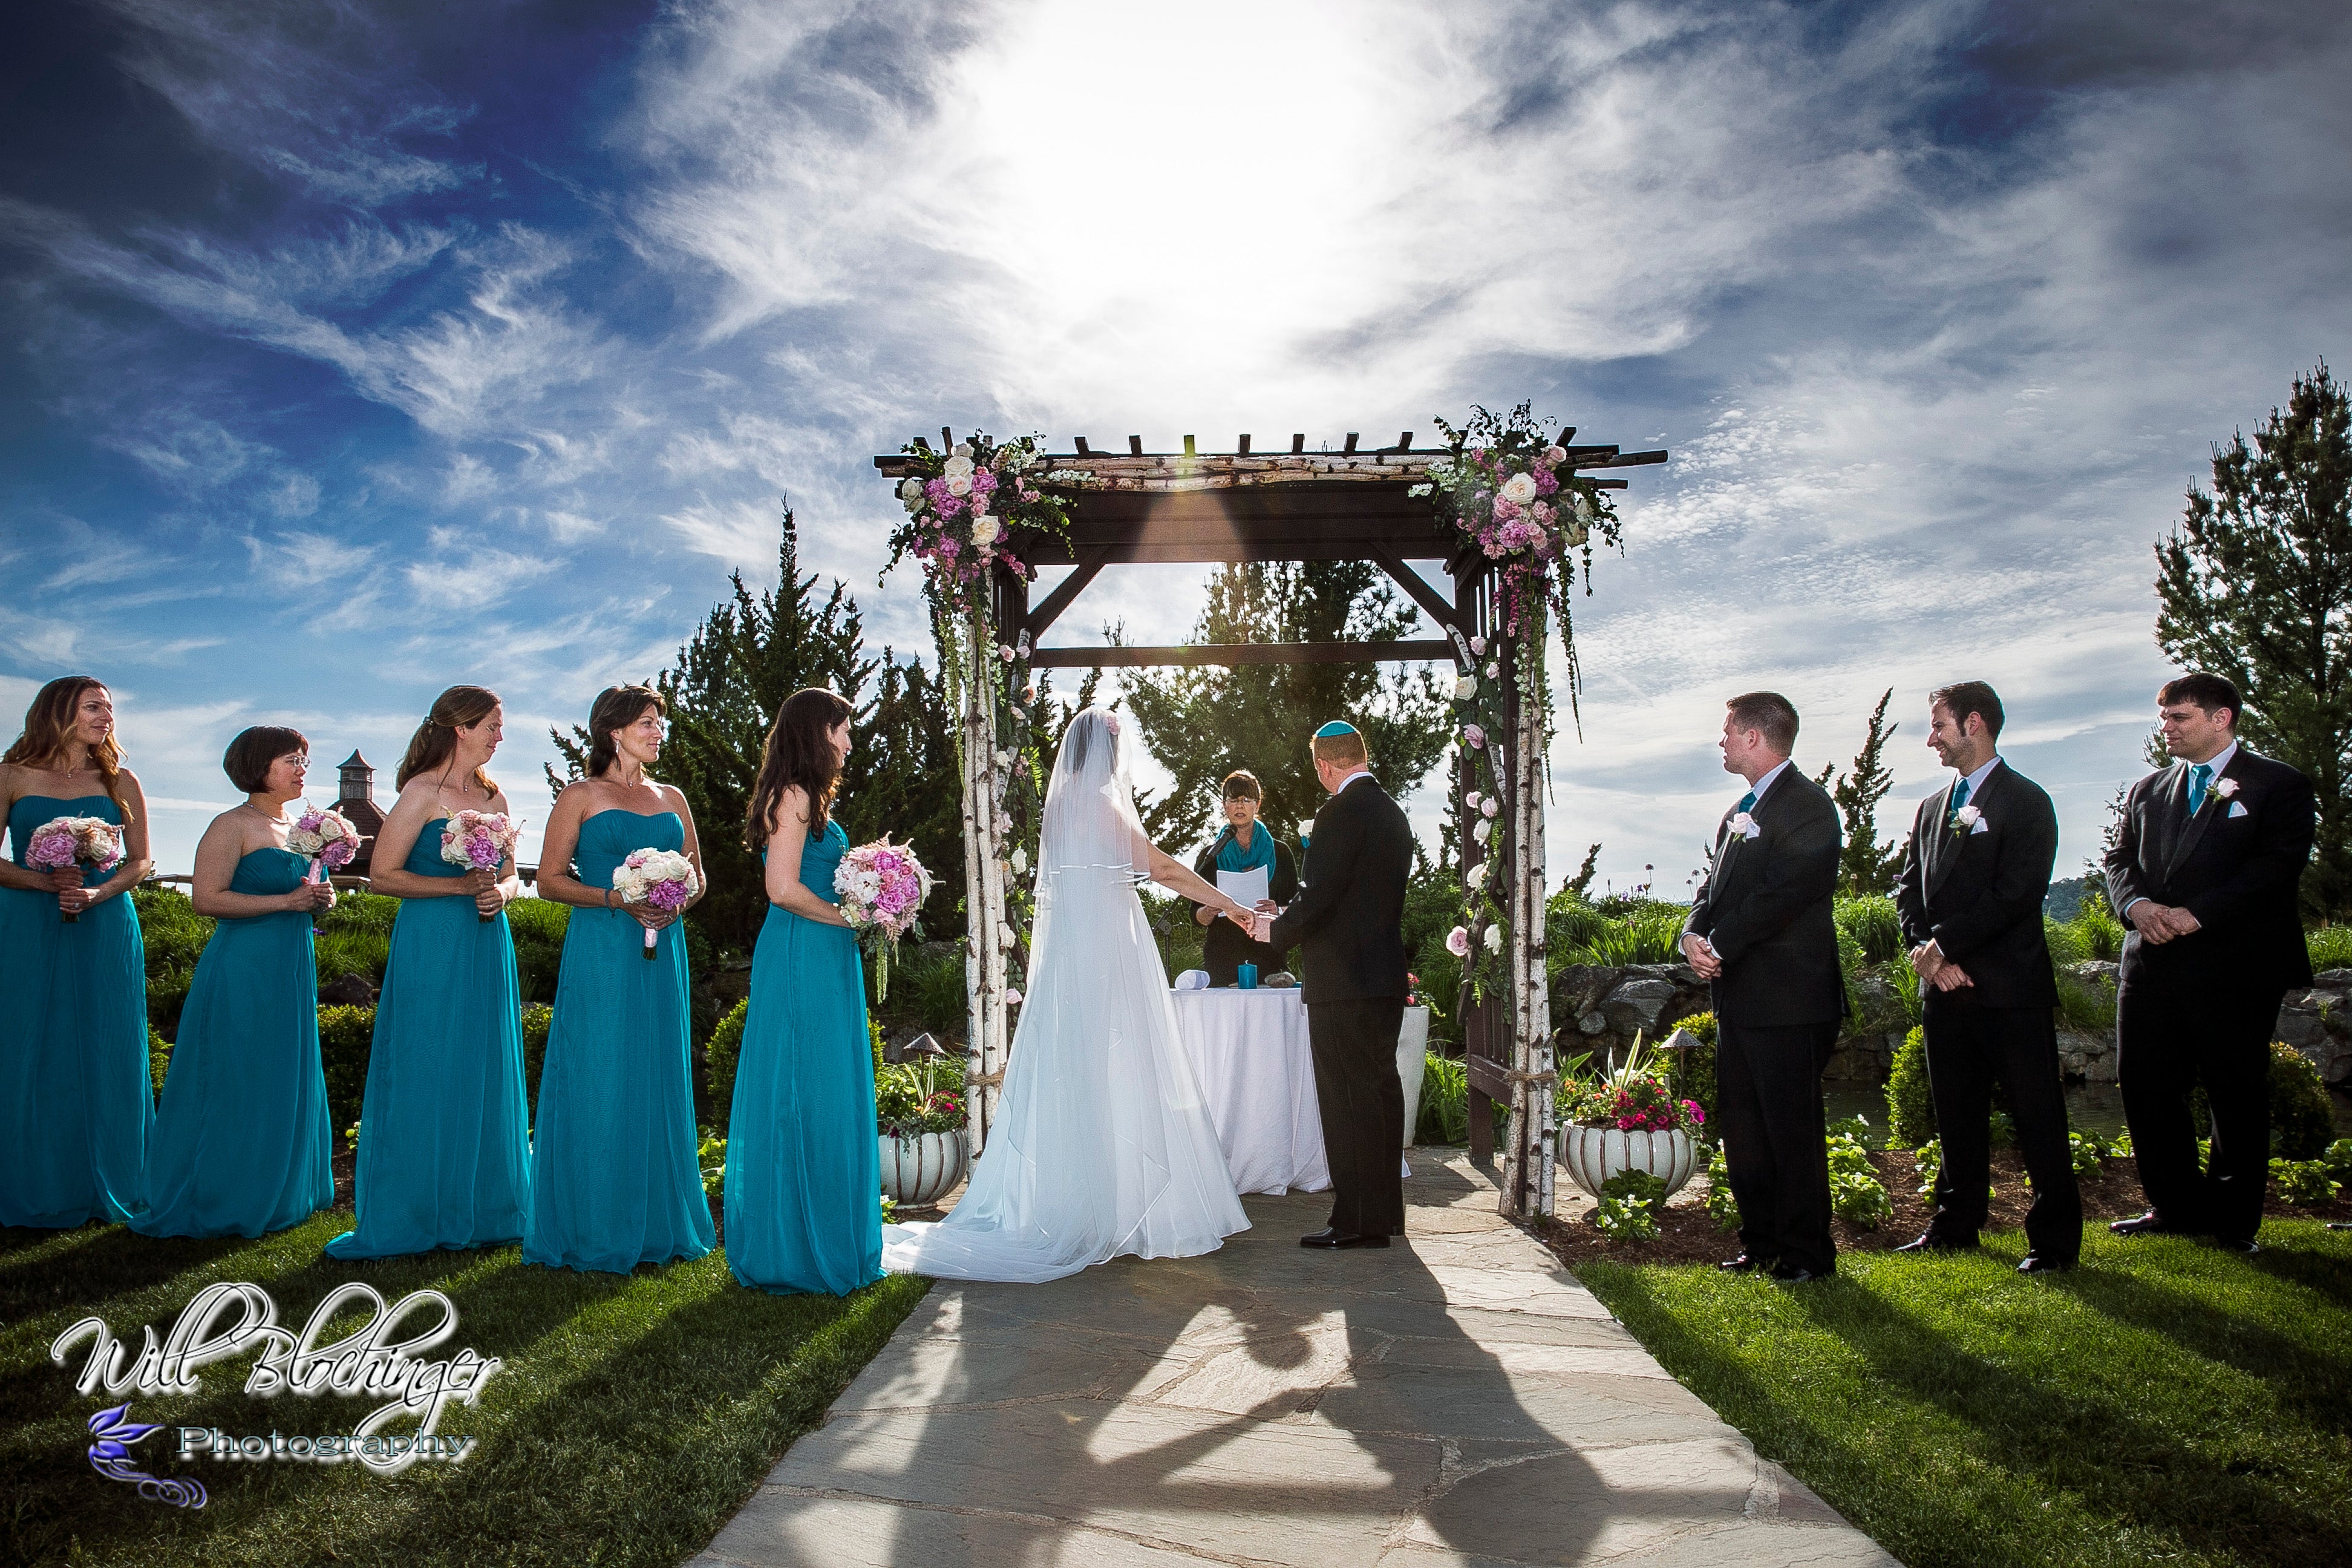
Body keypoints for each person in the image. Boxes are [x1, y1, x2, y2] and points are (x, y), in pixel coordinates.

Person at [881, 705, 1256, 1282]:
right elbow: (1161, 869)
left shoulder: (1060, 806)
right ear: (1107, 753)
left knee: (1080, 1073)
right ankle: (1114, 1212)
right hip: (1108, 950)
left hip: (1072, 953)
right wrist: (1228, 903)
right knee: (1123, 1067)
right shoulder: (1103, 806)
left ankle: (1087, 1204)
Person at [2105, 673, 2315, 1255]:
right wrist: (2137, 906)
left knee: (2235, 1091)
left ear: (2221, 718)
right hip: (2149, 964)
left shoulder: (2280, 784)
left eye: (2180, 718)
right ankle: (2174, 1207)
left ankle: (2233, 1222)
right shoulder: (2147, 789)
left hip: (2236, 967)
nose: (2166, 729)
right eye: (2164, 718)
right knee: (2145, 1086)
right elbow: (2119, 859)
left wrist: (2198, 915)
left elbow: (2277, 866)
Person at [327, 685, 531, 1260]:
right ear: (461, 728)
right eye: (492, 725)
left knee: (483, 1059)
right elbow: (384, 876)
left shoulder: (495, 796)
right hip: (432, 942)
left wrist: (501, 895)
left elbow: (512, 874)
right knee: (427, 1058)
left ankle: (488, 1205)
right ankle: (417, 1206)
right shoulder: (419, 793)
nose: (500, 736)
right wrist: (459, 888)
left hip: (487, 940)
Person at [523, 685, 716, 1274]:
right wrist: (617, 898)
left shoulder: (672, 797)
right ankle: (593, 1221)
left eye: (661, 723)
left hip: (664, 948)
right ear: (614, 731)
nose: (659, 732)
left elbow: (699, 877)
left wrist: (675, 902)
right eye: (648, 723)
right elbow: (548, 881)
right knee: (601, 1069)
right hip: (602, 951)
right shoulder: (579, 796)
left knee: (657, 1069)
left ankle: (660, 1220)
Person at [1892, 682, 2079, 1272]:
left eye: (1938, 726)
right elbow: (1907, 891)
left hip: (2010, 989)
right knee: (1954, 1115)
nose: (1931, 739)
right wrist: (1925, 952)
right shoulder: (1930, 808)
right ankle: (1955, 1225)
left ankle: (2054, 1242)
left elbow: (2017, 893)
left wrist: (1945, 947)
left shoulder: (2027, 801)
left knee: (2037, 1116)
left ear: (1974, 723)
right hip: (1943, 990)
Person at [135, 727, 336, 1238]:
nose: (302, 769)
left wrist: (322, 897)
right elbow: (206, 899)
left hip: (292, 967)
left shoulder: (303, 829)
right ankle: (221, 1191)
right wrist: (286, 902)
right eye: (292, 759)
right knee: (237, 1072)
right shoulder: (231, 825)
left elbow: (309, 889)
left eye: (304, 760)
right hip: (243, 967)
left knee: (280, 1071)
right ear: (258, 766)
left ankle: (282, 1187)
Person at [724, 687, 884, 1295]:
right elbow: (782, 888)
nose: (849, 741)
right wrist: (851, 919)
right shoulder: (792, 795)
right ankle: (792, 1244)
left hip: (826, 953)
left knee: (826, 1082)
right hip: (801, 952)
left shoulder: (812, 799)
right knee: (803, 1081)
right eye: (842, 730)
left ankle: (826, 1229)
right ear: (817, 732)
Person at [1679, 692, 1843, 1282]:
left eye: (1728, 730)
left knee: (1791, 1131)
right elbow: (1711, 891)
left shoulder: (1809, 807)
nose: (1721, 740)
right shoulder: (1738, 812)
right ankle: (1761, 1243)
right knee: (1744, 1129)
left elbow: (1785, 894)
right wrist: (1691, 935)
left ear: (1754, 737)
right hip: (1740, 1000)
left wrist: (1720, 945)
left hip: (1790, 999)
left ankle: (1807, 1254)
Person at [0, 676, 154, 1228]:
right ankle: (29, 1176)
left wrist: (96, 893)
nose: (107, 716)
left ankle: (113, 1174)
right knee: (27, 1037)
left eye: (110, 708)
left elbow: (140, 861)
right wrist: (43, 882)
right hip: (27, 923)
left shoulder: (121, 781)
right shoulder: (11, 775)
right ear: (58, 711)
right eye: (94, 707)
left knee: (106, 1036)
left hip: (104, 921)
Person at [1259, 720, 1414, 1249]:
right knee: (1380, 1094)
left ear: (1325, 766)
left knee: (1347, 1100)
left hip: (1343, 983)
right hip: (1384, 976)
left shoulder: (1339, 812)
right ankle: (1384, 1216)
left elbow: (1320, 895)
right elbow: (1355, 896)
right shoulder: (1393, 813)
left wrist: (1275, 930)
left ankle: (1355, 1221)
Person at [1187, 769, 1298, 985]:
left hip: (1270, 960)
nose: (1240, 806)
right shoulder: (1210, 856)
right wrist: (1209, 910)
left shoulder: (1281, 853)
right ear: (1224, 806)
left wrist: (1278, 910)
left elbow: (1296, 907)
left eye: (1247, 800)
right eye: (1233, 800)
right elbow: (1196, 917)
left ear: (1258, 805)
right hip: (1223, 961)